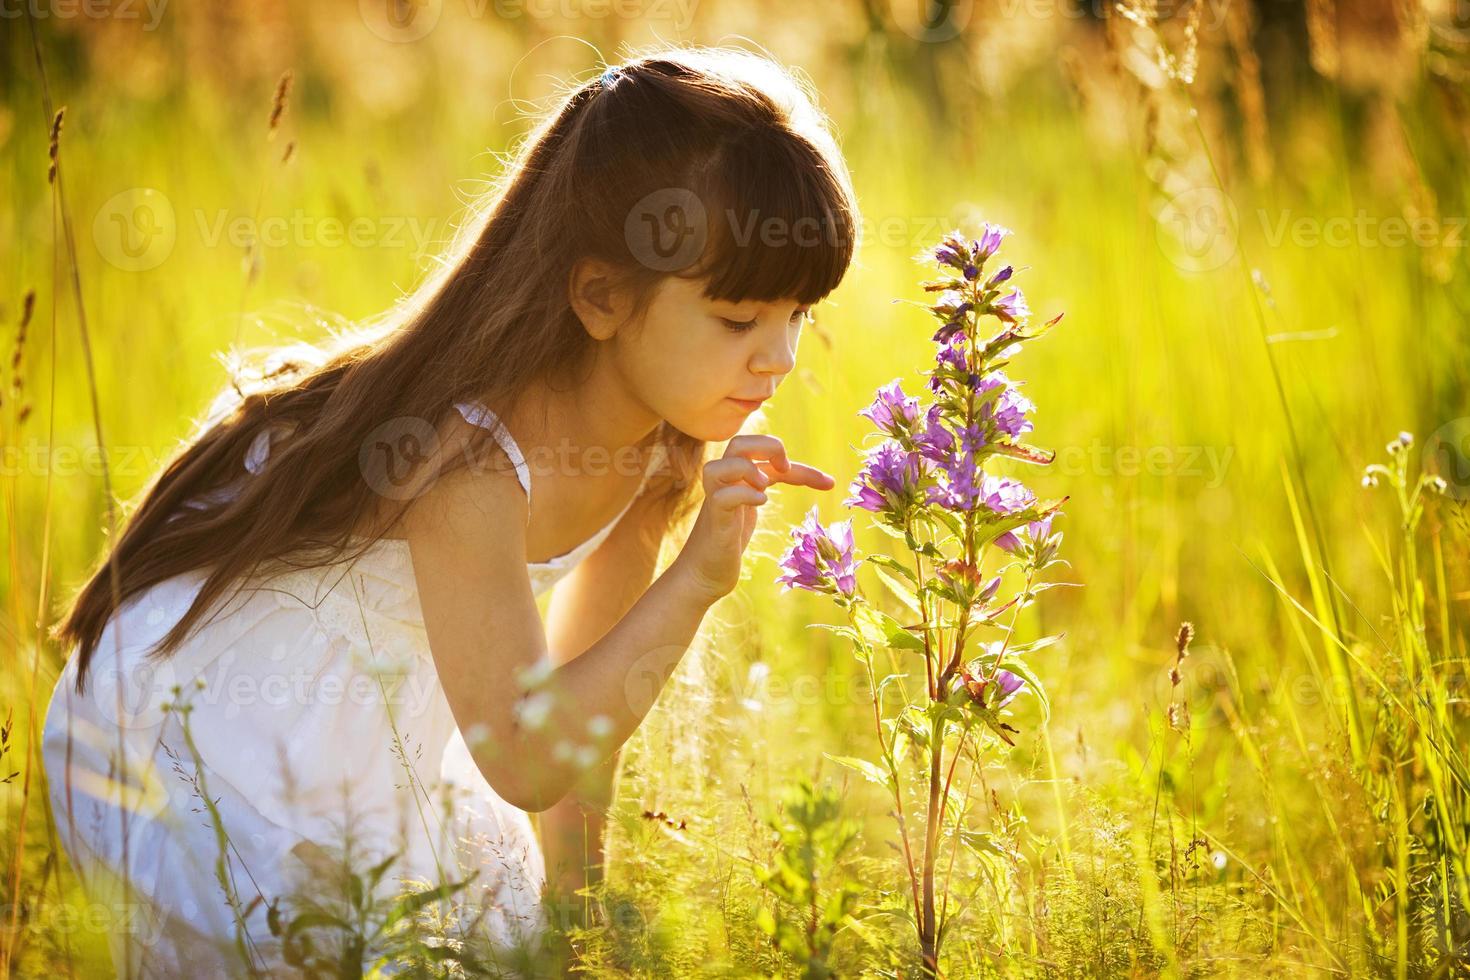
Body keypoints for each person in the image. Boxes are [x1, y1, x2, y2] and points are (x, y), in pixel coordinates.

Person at [40, 43, 860, 978]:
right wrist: (697, 582)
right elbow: (523, 759)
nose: (781, 357)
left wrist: (577, 935)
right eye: (738, 319)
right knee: (318, 942)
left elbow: (582, 729)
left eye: (798, 314)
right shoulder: (466, 461)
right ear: (601, 296)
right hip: (210, 714)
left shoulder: (664, 446)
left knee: (484, 944)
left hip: (385, 723)